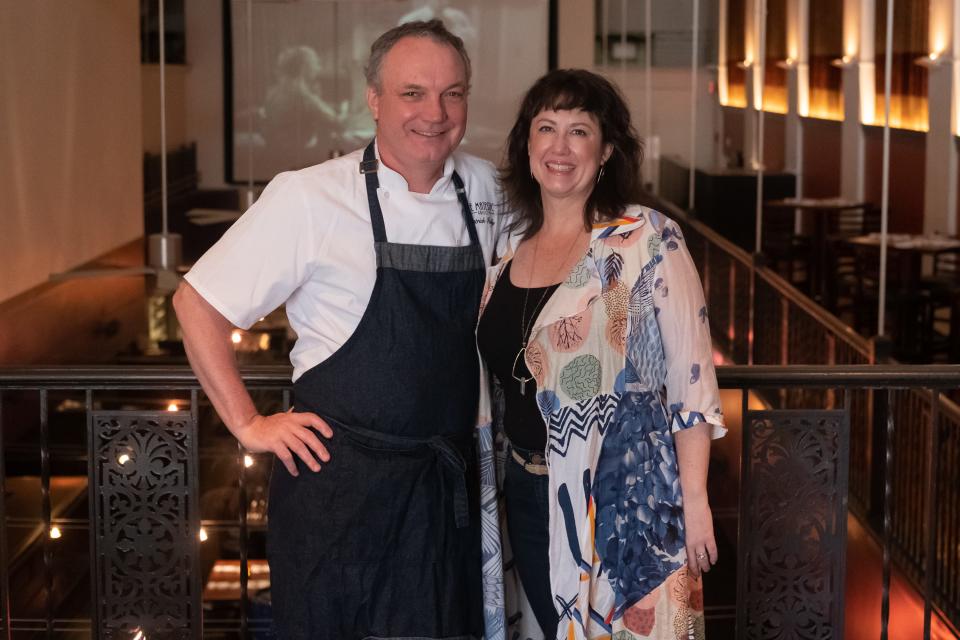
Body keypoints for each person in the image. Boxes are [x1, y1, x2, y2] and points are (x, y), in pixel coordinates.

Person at [173, 20, 504, 639]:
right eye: (412, 93)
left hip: (442, 495)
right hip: (338, 495)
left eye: (452, 93)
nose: (434, 113)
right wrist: (248, 424)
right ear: (373, 99)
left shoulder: (485, 187)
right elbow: (197, 303)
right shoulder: (308, 197)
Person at [475, 69, 726, 639]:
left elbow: (692, 380)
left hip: (625, 502)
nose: (560, 148)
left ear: (606, 150)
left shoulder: (646, 240)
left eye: (579, 131)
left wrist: (695, 499)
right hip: (526, 496)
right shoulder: (507, 252)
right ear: (527, 144)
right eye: (546, 129)